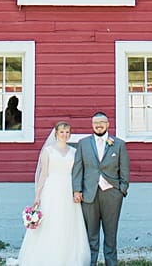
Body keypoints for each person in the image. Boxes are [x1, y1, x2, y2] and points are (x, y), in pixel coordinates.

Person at [17, 121, 89, 266]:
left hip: (68, 189)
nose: (65, 135)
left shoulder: (74, 152)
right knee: (51, 221)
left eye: (67, 132)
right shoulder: (48, 151)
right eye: (62, 132)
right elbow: (43, 174)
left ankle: (68, 257)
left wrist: (77, 190)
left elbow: (77, 173)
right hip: (52, 189)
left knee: (68, 221)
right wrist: (37, 195)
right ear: (56, 133)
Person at [71, 111, 129, 266]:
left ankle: (111, 263)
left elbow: (124, 170)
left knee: (111, 235)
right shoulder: (83, 144)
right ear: (92, 125)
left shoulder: (119, 144)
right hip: (89, 194)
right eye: (95, 123)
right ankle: (91, 263)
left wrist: (122, 189)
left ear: (108, 124)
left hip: (112, 195)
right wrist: (77, 190)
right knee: (91, 235)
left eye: (102, 122)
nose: (98, 125)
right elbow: (78, 168)